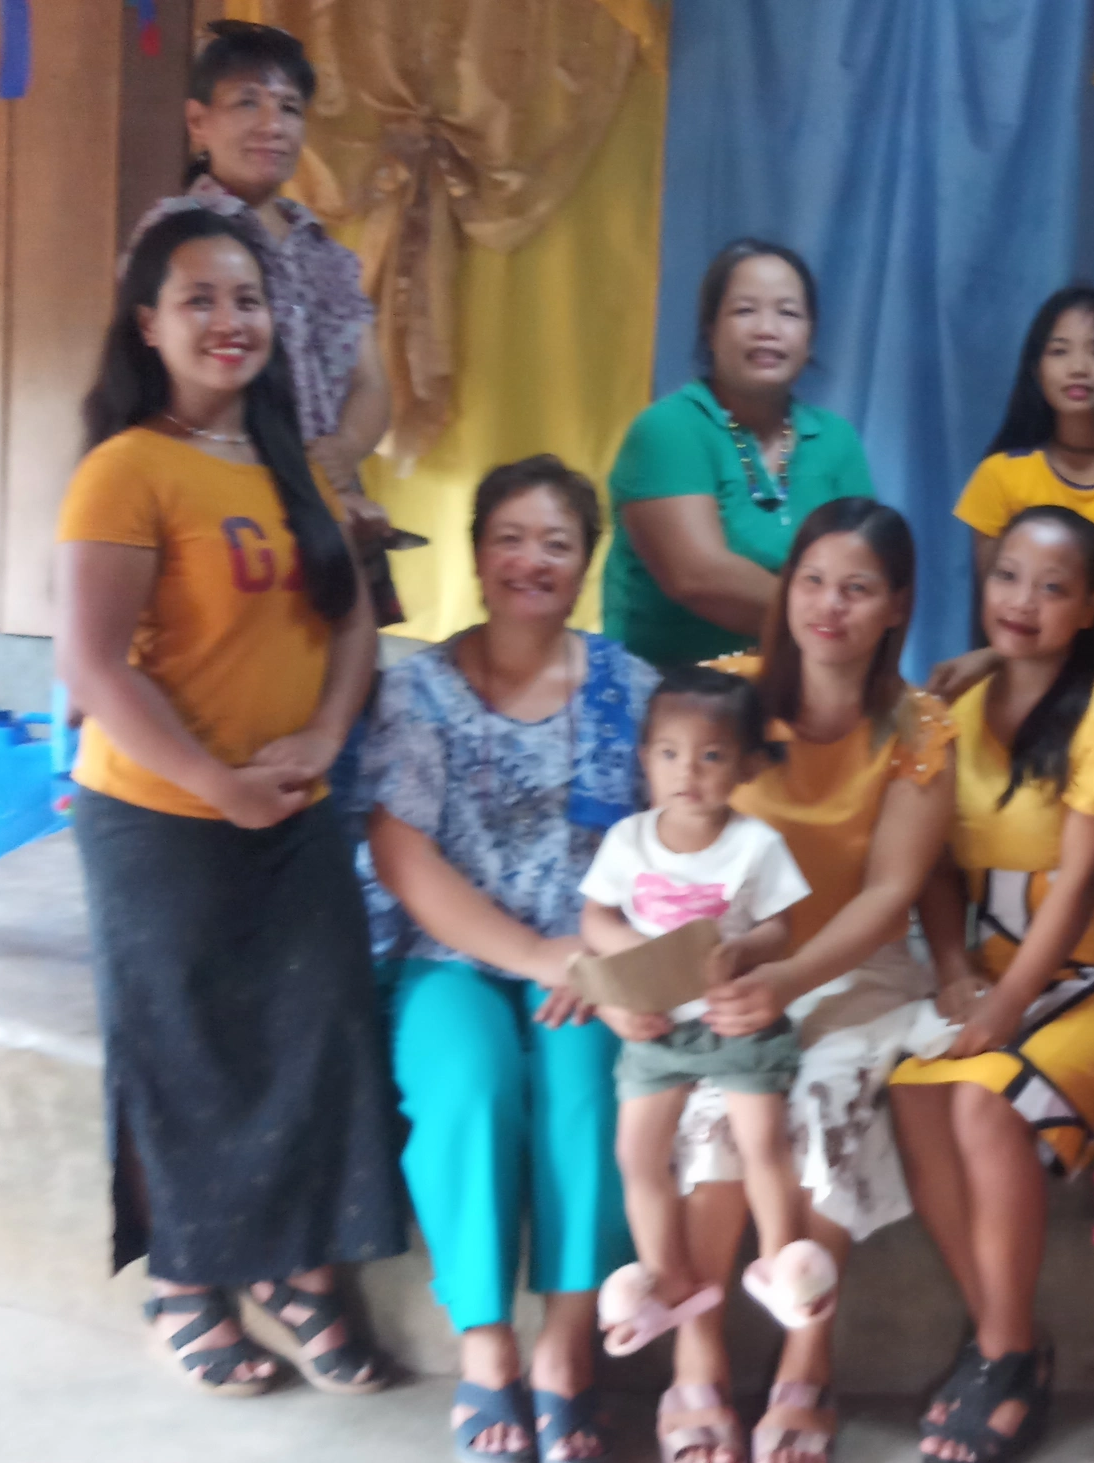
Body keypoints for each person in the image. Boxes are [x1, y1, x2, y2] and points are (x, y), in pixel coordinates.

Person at [56, 207, 400, 1400]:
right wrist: (216, 782)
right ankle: (184, 1284)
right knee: (187, 1047)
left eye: (246, 298)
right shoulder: (124, 469)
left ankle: (298, 1270)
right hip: (159, 819)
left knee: (317, 1034)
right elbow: (94, 664)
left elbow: (352, 621)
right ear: (147, 325)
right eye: (197, 298)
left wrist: (321, 738)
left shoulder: (293, 460)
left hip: (294, 805)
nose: (228, 320)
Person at [363, 457, 653, 1460]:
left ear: (586, 563)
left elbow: (660, 843)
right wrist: (534, 954)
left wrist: (596, 958)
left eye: (557, 543)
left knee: (586, 1088)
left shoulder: (624, 688)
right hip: (453, 956)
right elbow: (402, 853)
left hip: (587, 961)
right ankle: (485, 1348)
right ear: (479, 553)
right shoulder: (419, 690)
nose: (532, 560)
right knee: (469, 1087)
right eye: (511, 538)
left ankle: (567, 1350)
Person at [657, 499, 955, 1463]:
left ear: (897, 605)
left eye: (858, 588)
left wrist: (791, 979)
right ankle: (696, 1354)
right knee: (717, 1107)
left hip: (859, 967)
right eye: (813, 581)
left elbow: (892, 890)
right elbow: (669, 846)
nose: (829, 605)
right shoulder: (728, 696)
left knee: (825, 1097)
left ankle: (805, 1360)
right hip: (736, 960)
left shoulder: (921, 725)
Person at [895, 505, 1094, 1462]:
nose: (1022, 601)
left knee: (983, 1101)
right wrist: (955, 969)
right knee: (915, 1094)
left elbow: (1079, 881)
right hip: (990, 970)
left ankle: (1001, 1359)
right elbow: (928, 863)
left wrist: (1002, 1010)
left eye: (1052, 587)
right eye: (1007, 577)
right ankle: (1010, 1341)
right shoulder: (945, 710)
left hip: (1093, 978)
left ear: (1090, 608)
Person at [575, 667, 834, 1353]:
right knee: (636, 1152)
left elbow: (782, 928)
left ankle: (780, 1260)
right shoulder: (628, 840)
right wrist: (636, 952)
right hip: (657, 1028)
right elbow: (595, 918)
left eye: (711, 755)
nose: (686, 771)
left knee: (761, 1141)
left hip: (733, 1020)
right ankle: (668, 1274)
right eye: (668, 753)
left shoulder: (755, 844)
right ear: (644, 759)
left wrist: (743, 948)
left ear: (747, 766)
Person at [139, 20, 389, 539]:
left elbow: (370, 381)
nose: (273, 124)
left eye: (290, 107)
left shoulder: (325, 251)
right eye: (248, 102)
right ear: (198, 121)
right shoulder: (174, 234)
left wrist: (345, 449)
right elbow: (148, 380)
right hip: (217, 503)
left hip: (327, 506)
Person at [604, 239, 876, 666]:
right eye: (745, 310)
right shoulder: (667, 429)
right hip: (669, 693)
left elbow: (867, 574)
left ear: (810, 337)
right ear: (710, 331)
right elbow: (698, 577)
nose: (767, 328)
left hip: (800, 687)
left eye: (788, 313)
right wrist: (831, 617)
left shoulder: (836, 439)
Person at [927, 286, 1094, 699]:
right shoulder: (1000, 477)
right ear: (1038, 369)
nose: (1078, 368)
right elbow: (1005, 614)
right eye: (1059, 351)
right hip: (1023, 683)